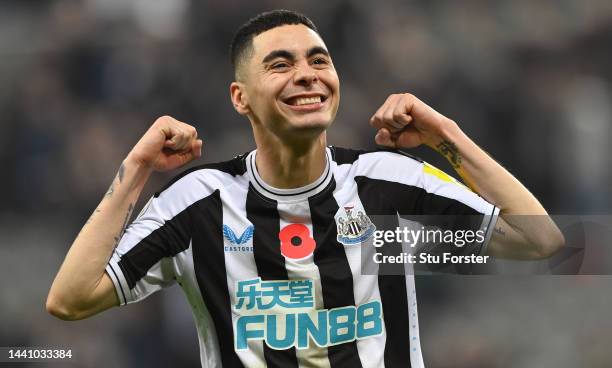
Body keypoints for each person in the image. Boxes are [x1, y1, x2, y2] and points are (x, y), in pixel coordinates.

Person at [46, 9, 564, 368]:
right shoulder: (198, 203)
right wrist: (137, 167)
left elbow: (541, 241)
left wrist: (444, 136)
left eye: (319, 61)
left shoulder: (385, 184)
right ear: (240, 97)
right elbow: (70, 300)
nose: (308, 75)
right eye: (280, 64)